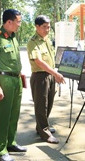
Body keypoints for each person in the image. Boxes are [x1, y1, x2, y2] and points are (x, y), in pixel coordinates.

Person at [0, 9, 26, 161]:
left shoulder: (14, 37)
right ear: (9, 22)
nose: (19, 24)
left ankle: (11, 142)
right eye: (18, 22)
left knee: (14, 113)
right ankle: (0, 150)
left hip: (16, 80)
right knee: (3, 115)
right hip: (4, 80)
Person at [27, 15, 66, 144]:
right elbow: (39, 61)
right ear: (37, 27)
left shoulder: (47, 40)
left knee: (49, 102)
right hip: (40, 77)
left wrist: (54, 73)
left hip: (50, 75)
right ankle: (44, 133)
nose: (47, 29)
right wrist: (55, 73)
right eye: (44, 27)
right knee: (41, 105)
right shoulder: (33, 42)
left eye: (49, 27)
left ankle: (42, 126)